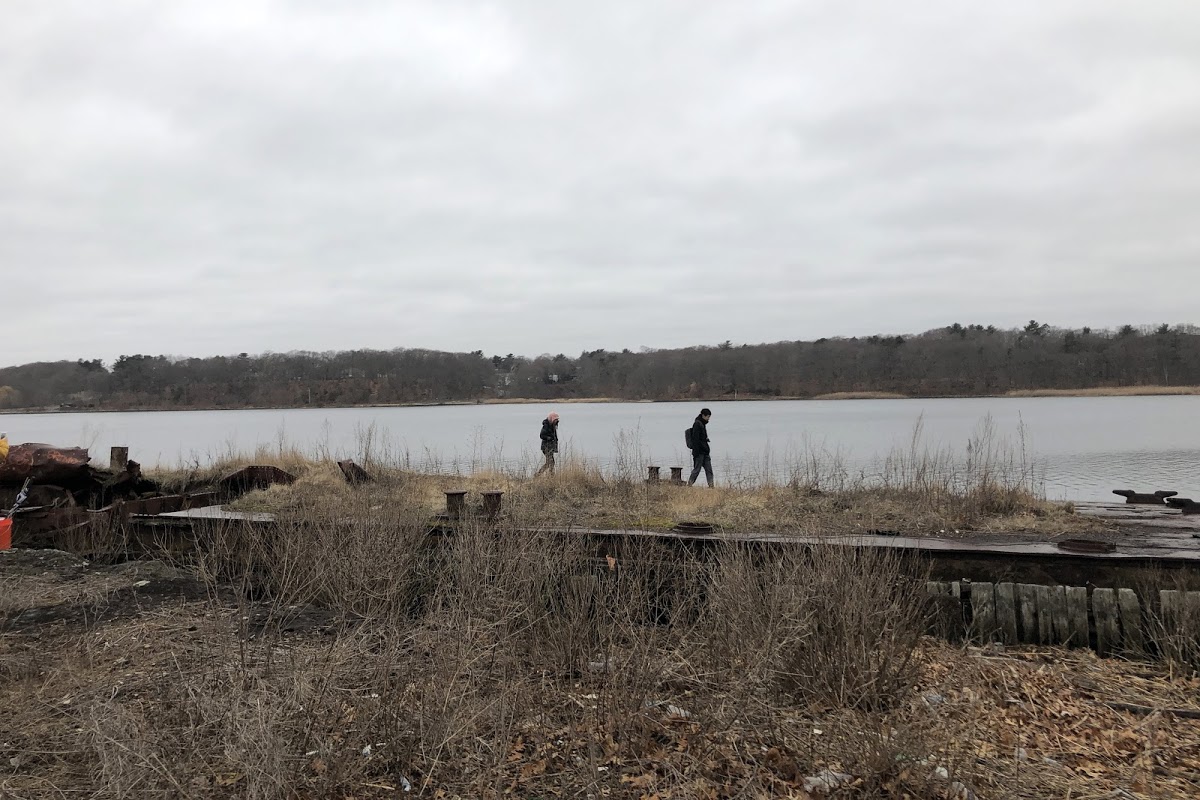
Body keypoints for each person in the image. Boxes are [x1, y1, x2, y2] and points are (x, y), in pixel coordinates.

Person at [687, 408, 713, 487]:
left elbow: (701, 438)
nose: (708, 418)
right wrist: (696, 452)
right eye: (707, 416)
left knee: (709, 470)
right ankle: (689, 485)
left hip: (705, 451)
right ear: (703, 415)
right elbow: (696, 439)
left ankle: (711, 486)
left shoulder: (702, 423)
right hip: (699, 452)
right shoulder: (697, 424)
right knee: (696, 470)